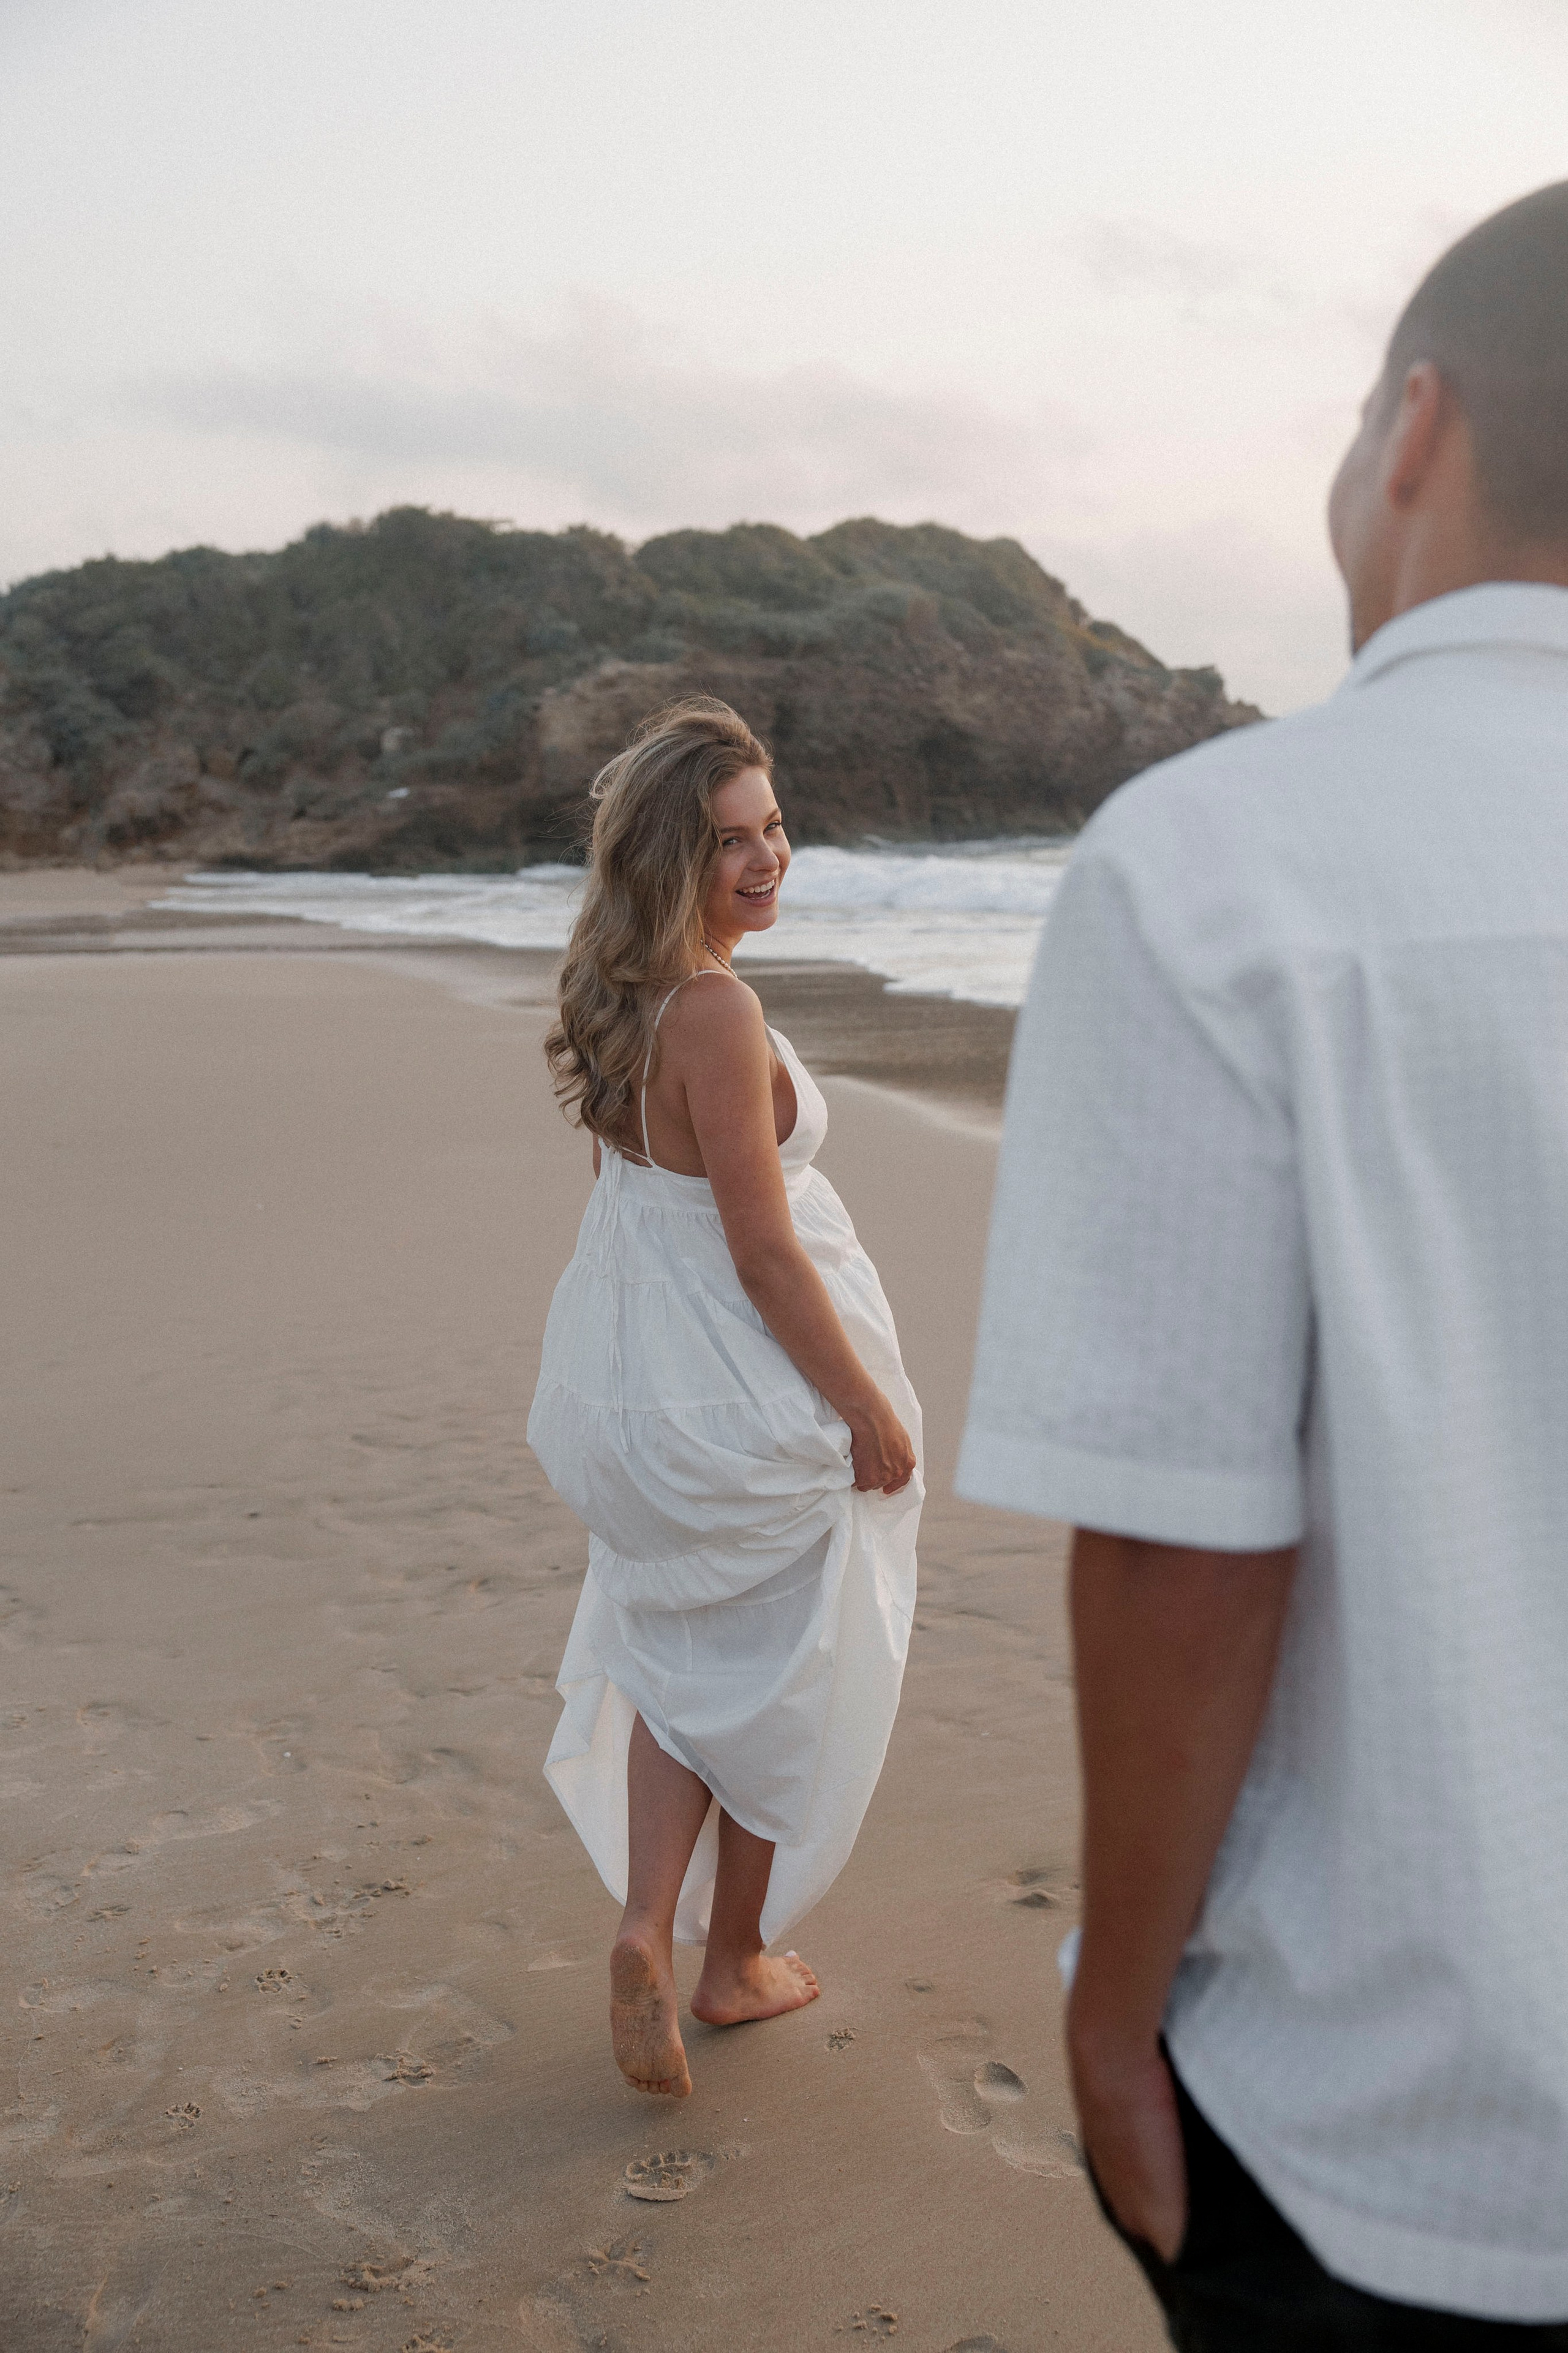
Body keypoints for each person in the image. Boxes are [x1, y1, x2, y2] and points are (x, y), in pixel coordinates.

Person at [958, 183, 1568, 2343]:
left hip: (1402, 2121)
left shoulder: (1226, 866)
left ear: (1415, 429)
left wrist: (1118, 2008)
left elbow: (1188, 1546)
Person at [529, 697, 922, 2100]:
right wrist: (866, 1409)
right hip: (737, 1393)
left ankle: (644, 1925)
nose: (766, 861)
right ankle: (730, 1957)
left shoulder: (617, 995)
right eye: (727, 843)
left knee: (673, 1658)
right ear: (664, 860)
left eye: (772, 831)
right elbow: (757, 1248)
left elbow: (630, 1208)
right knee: (784, 1665)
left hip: (638, 1388)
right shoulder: (714, 1007)